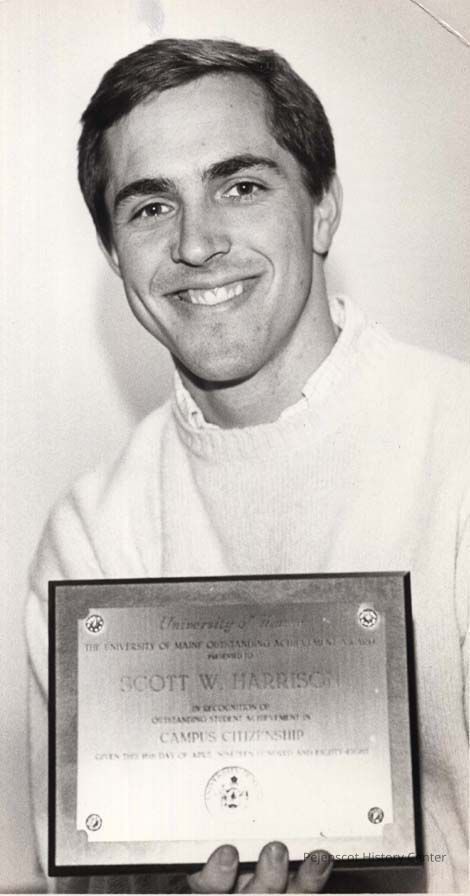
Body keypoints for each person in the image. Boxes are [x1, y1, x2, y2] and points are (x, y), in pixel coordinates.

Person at [25, 38, 469, 894]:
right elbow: (82, 884)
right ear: (115, 255)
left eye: (241, 187)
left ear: (323, 209)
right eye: (150, 207)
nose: (196, 243)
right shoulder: (91, 536)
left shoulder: (456, 449)